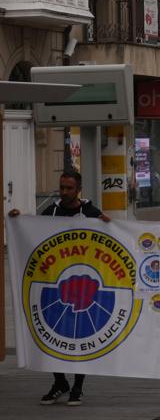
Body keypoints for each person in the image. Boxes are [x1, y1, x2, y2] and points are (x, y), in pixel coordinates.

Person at [8, 171, 108, 407]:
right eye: (62, 187)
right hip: (55, 282)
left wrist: (110, 225)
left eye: (69, 188)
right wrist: (17, 220)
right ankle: (60, 382)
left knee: (80, 335)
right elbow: (34, 234)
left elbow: (108, 237)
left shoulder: (91, 213)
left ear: (79, 189)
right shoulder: (51, 212)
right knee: (52, 336)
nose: (64, 192)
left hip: (84, 284)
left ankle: (78, 387)